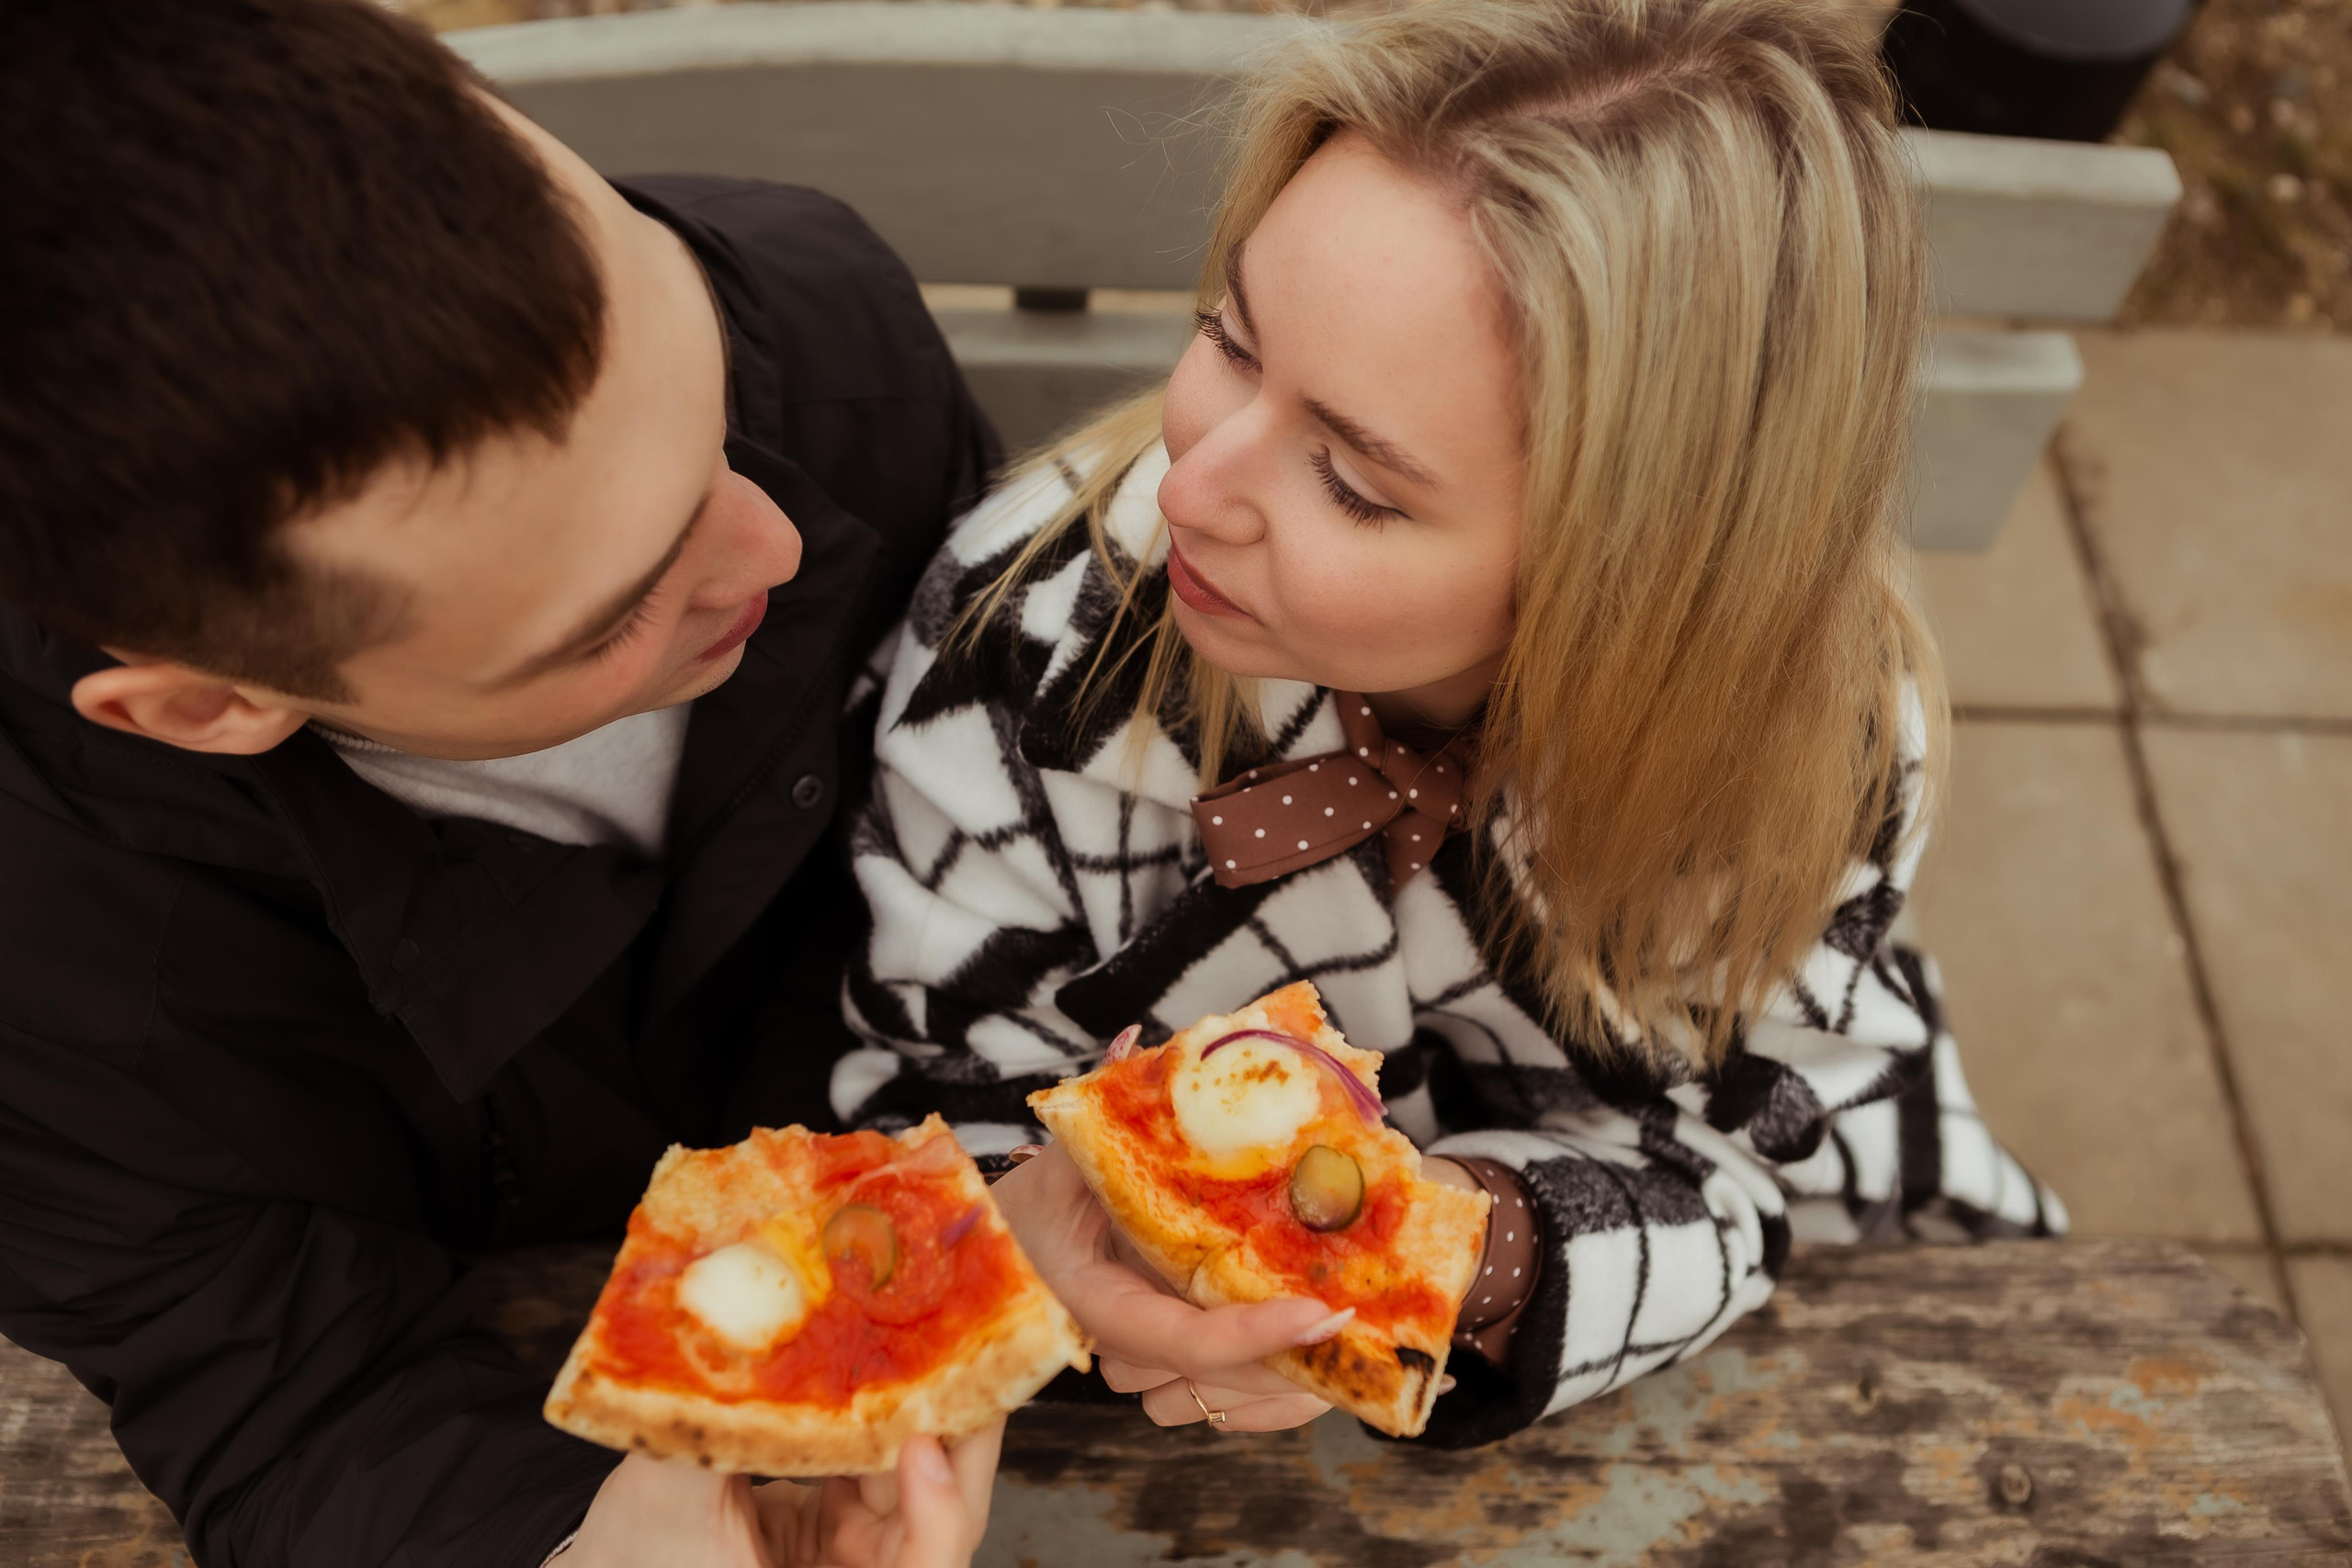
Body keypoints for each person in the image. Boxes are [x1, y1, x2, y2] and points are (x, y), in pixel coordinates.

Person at [841, 0, 2065, 1447]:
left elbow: (1744, 1147)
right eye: (1229, 342)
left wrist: (1485, 1257)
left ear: (1634, 572)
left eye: (1356, 482)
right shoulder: (1030, 652)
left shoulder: (1810, 745)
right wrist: (1037, 1237)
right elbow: (928, 1085)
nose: (1189, 491)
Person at [0, 2, 1003, 1564]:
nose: (780, 547)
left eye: (709, 395)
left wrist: (990, 1196)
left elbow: (979, 819)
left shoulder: (817, 318)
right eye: (614, 611)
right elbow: (270, 1383)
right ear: (210, 707)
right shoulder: (47, 967)